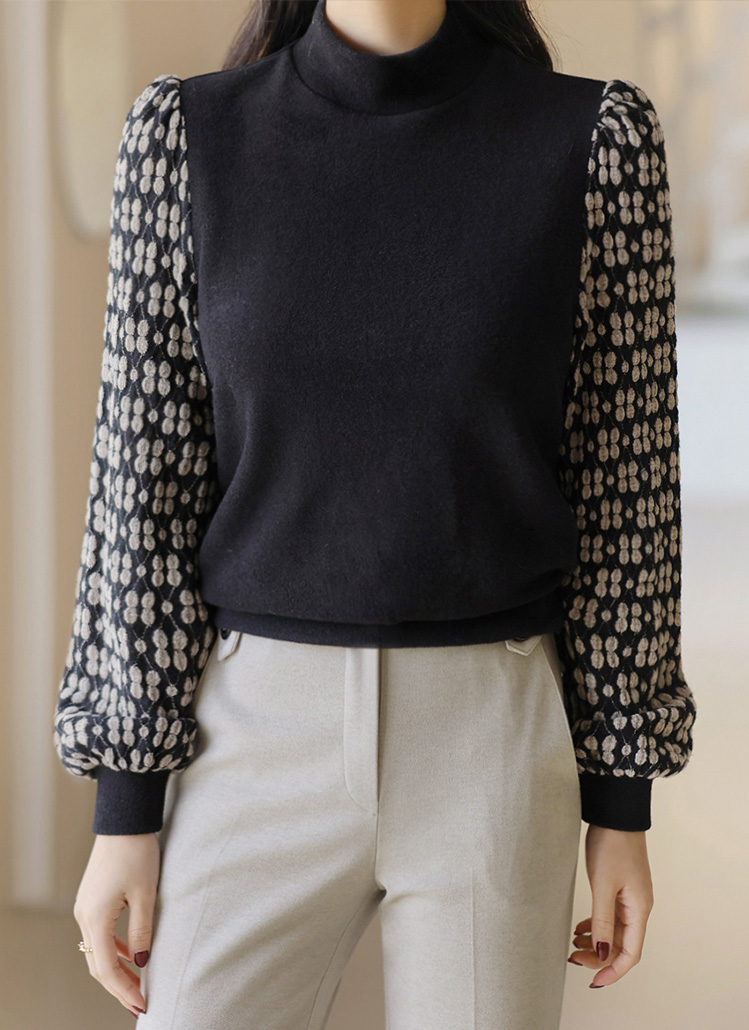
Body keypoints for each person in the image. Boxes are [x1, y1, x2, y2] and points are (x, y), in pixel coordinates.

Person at [54, 1, 697, 1027]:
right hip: (250, 739)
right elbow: (142, 484)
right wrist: (123, 806)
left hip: (490, 740)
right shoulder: (184, 138)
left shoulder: (595, 144)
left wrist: (621, 802)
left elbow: (627, 487)